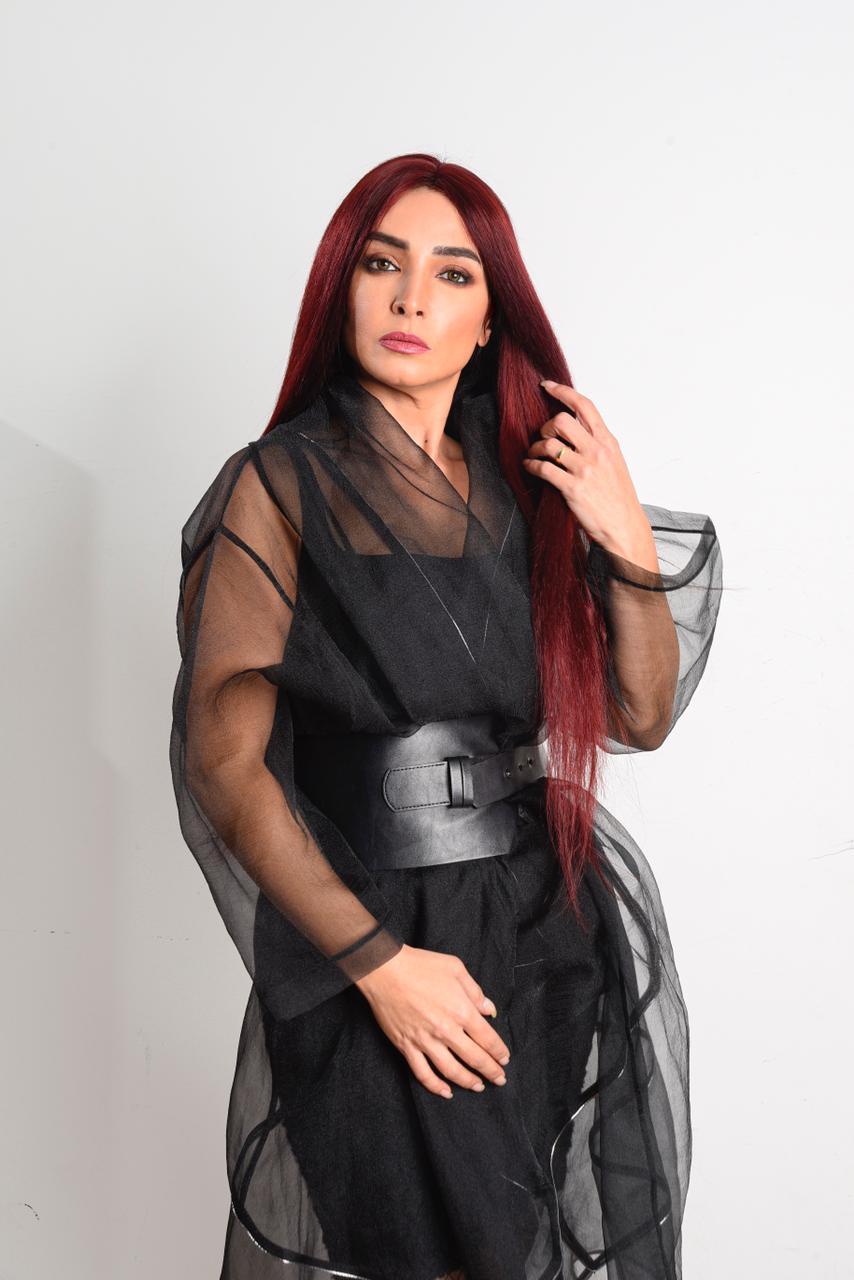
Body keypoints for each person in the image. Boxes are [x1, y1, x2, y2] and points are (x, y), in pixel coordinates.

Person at [169, 153, 723, 1280]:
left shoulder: (524, 486)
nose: (413, 298)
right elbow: (224, 763)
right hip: (372, 930)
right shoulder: (277, 486)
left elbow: (641, 712)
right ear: (343, 291)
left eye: (453, 273)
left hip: (540, 926)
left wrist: (621, 533)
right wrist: (380, 965)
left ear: (488, 322)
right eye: (382, 264)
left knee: (509, 1258)